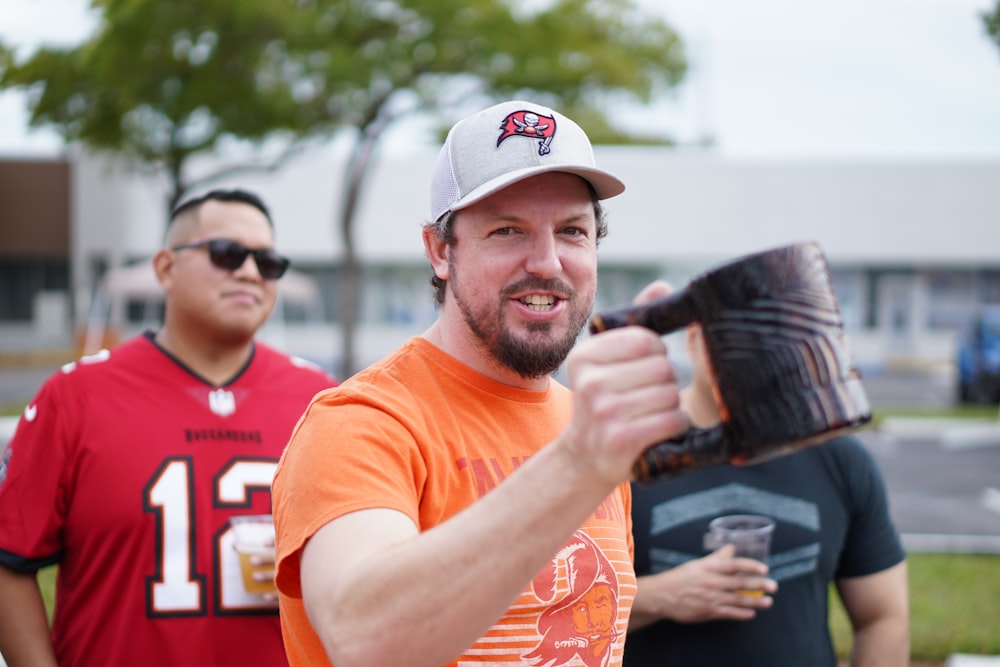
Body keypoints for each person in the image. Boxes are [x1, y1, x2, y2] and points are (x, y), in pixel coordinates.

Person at [272, 99, 690, 667]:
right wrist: (582, 462)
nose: (547, 262)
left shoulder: (582, 425)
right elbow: (364, 639)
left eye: (572, 231)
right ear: (441, 251)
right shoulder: (360, 423)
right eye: (507, 230)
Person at [0, 188, 337, 666]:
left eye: (268, 262)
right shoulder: (76, 396)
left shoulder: (322, 400)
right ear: (165, 268)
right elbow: (8, 559)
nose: (248, 272)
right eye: (226, 254)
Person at [624, 306, 910, 667]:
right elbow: (557, 611)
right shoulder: (624, 454)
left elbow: (882, 617)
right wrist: (661, 596)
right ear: (695, 339)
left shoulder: (838, 458)